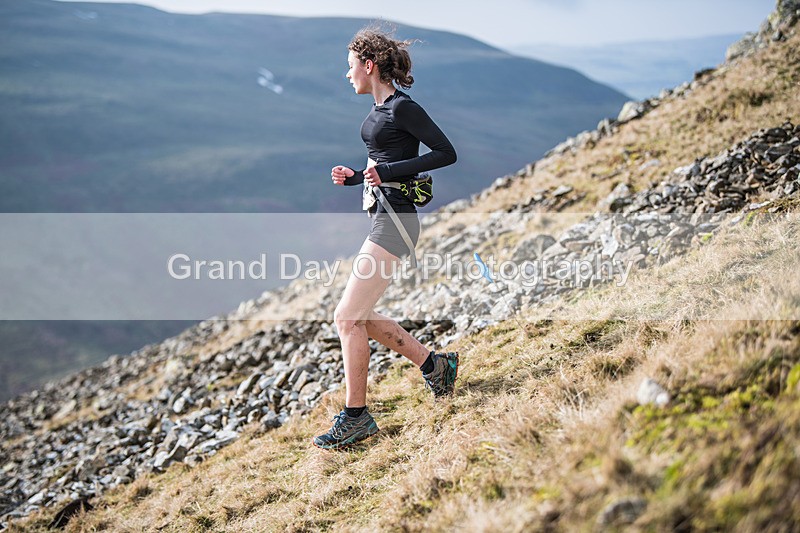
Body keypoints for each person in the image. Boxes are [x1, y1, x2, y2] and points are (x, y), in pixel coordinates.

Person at [312, 28, 459, 450]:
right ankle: (435, 366)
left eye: (350, 67)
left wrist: (387, 173)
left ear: (368, 65)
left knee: (346, 318)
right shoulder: (380, 110)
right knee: (358, 316)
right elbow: (384, 164)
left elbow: (446, 152)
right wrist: (357, 177)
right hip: (385, 215)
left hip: (396, 221)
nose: (347, 75)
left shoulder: (402, 107)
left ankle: (356, 417)